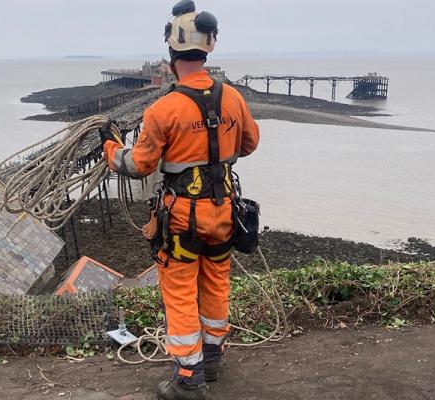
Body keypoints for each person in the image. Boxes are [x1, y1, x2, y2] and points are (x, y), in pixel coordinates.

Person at [100, 1, 259, 399]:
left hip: (183, 218)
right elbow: (250, 143)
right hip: (224, 211)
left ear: (171, 54)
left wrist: (109, 147)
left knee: (180, 292)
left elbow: (139, 163)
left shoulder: (162, 109)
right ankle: (212, 358)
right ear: (208, 49)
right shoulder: (233, 99)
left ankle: (188, 379)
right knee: (217, 282)